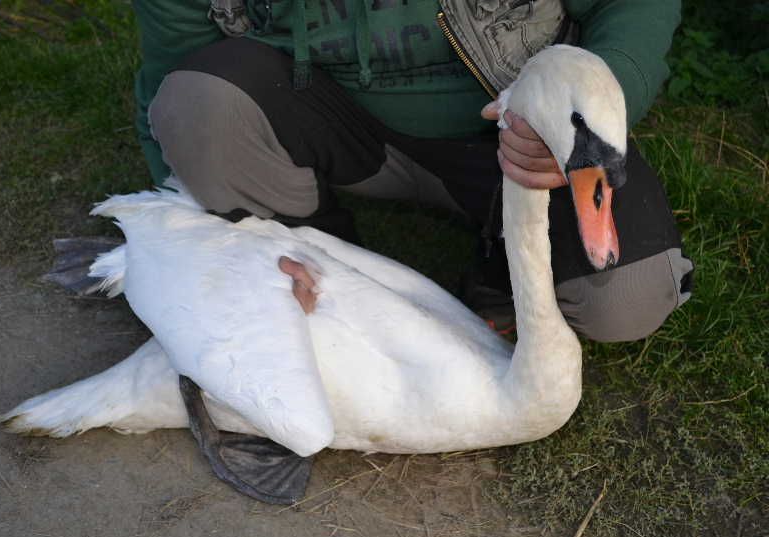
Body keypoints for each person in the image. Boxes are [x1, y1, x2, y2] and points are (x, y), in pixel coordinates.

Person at [132, 0, 693, 342]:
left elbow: (634, 5)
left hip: (516, 137)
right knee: (196, 102)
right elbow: (169, 72)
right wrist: (189, 234)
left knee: (625, 300)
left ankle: (505, 262)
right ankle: (304, 250)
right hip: (333, 126)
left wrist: (592, 108)